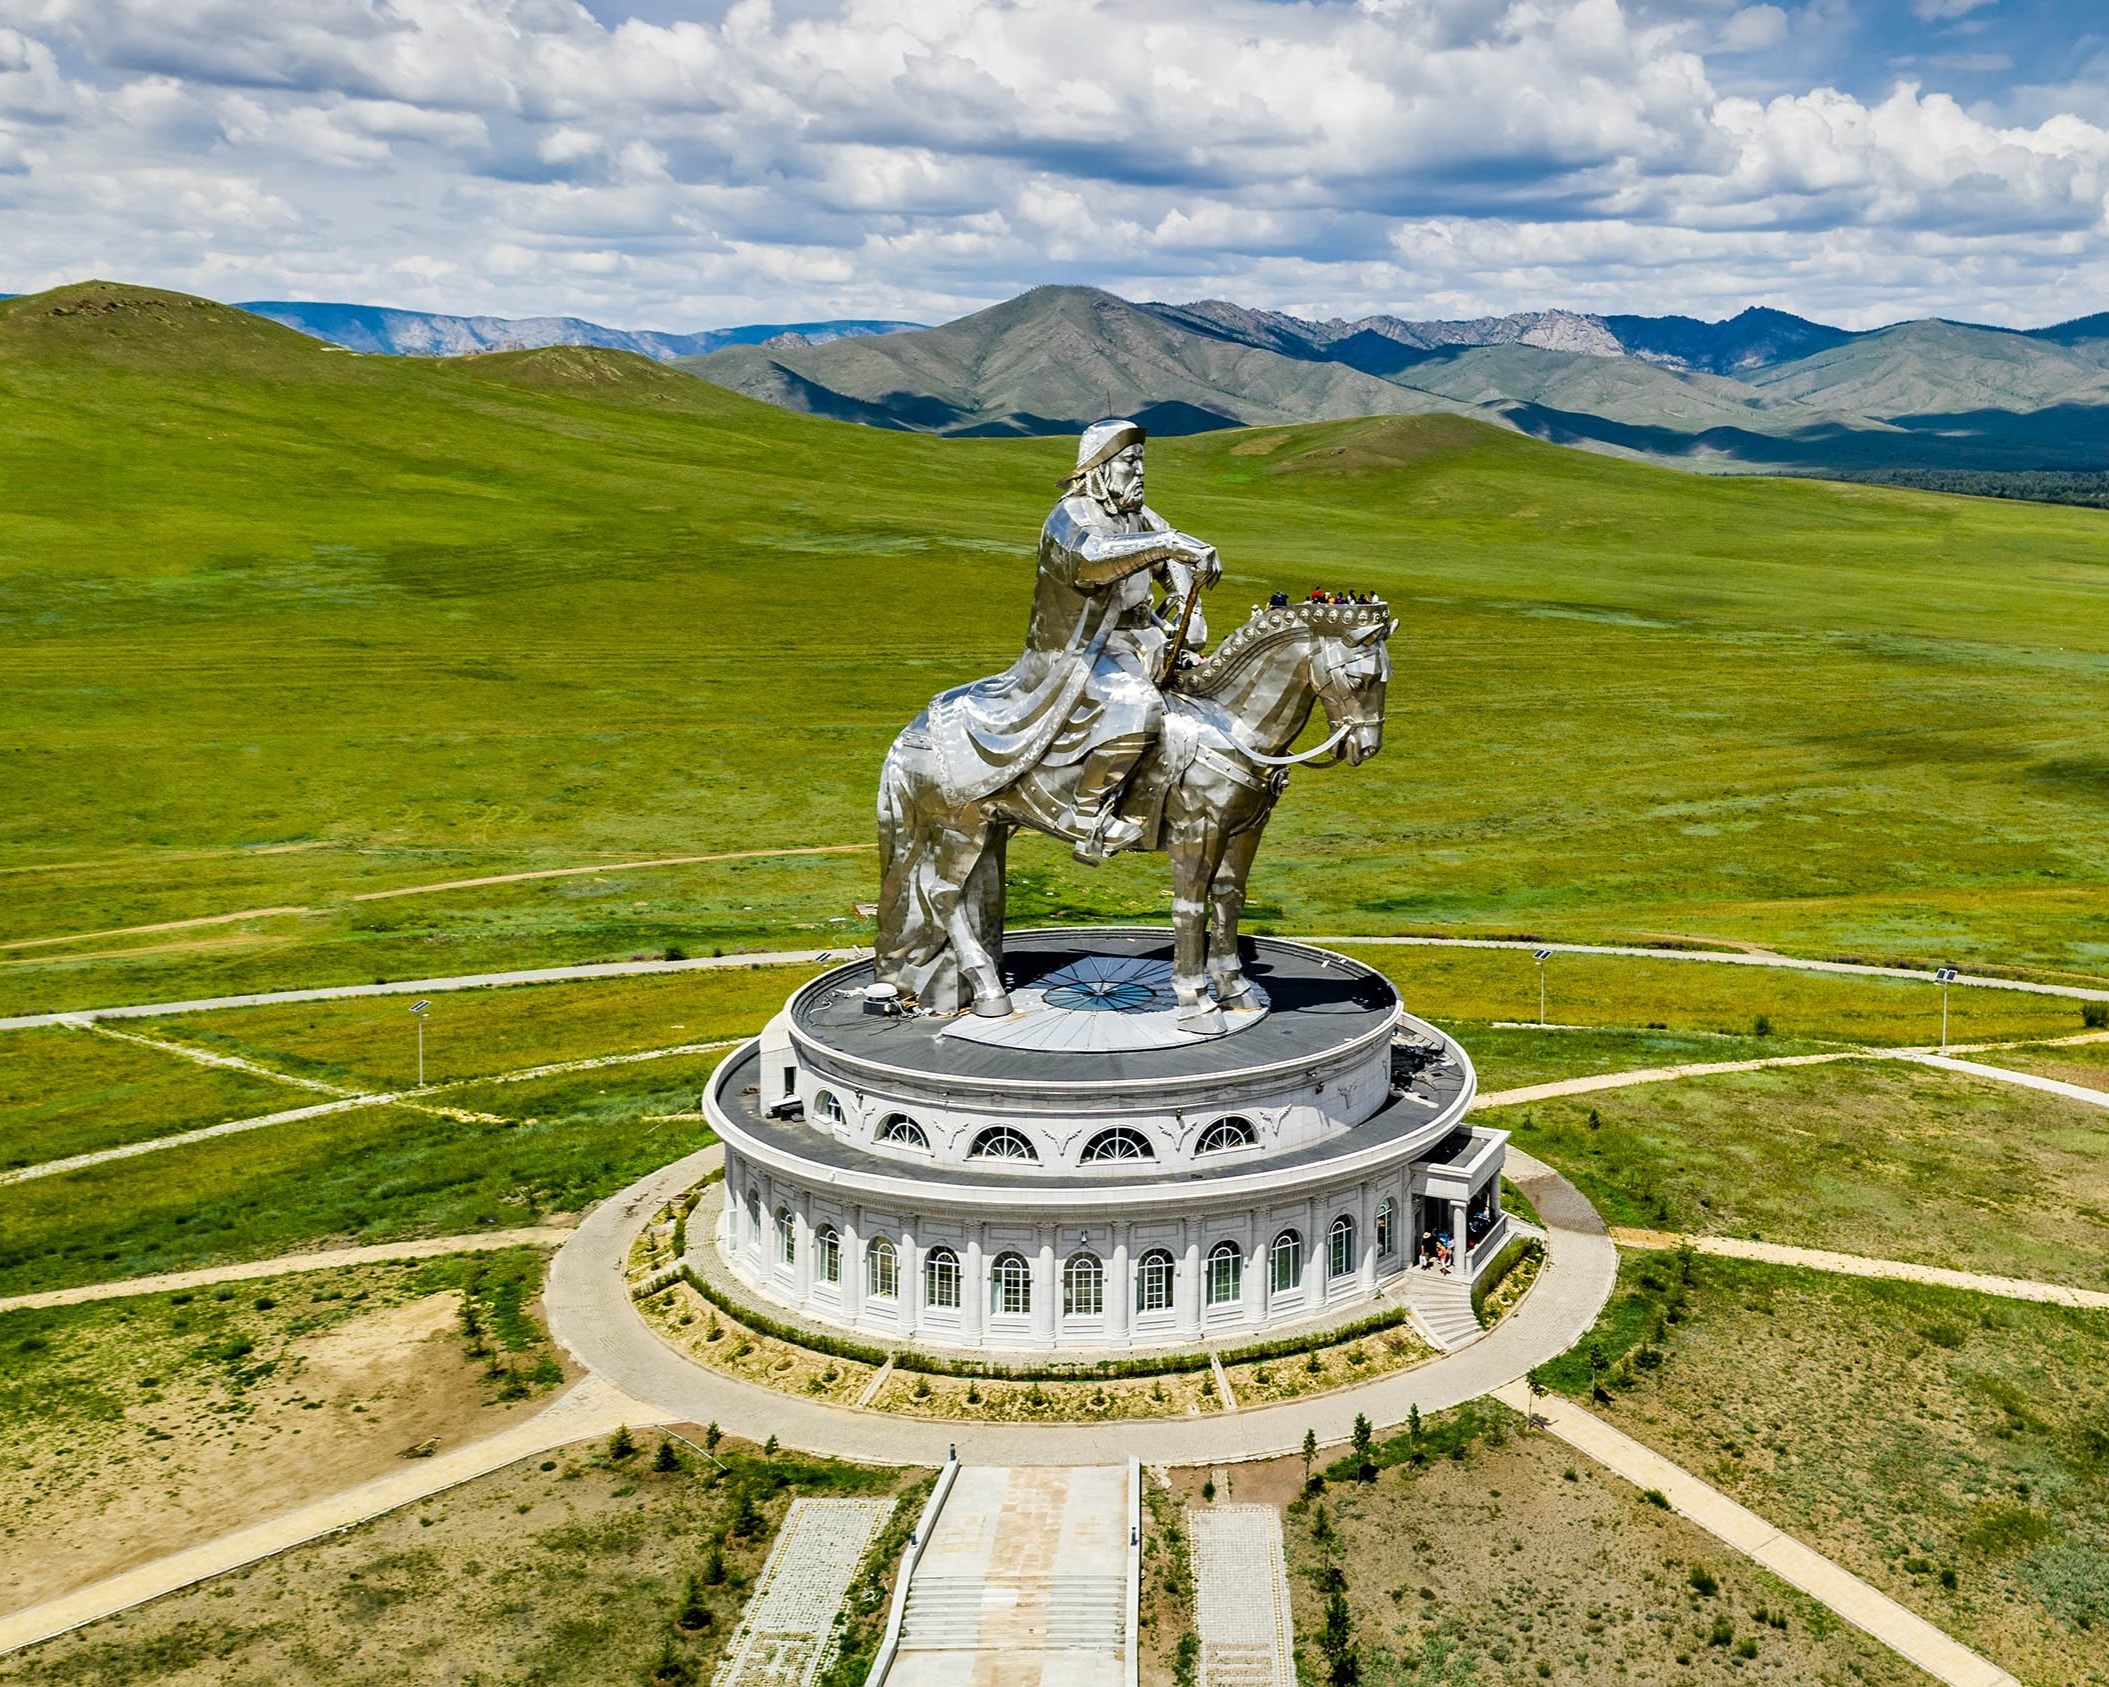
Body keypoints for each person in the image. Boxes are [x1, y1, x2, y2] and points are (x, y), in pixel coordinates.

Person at [923, 420, 1220, 863]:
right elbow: (1092, 561)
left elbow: (1171, 565)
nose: (1139, 472)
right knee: (1137, 704)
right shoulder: (1070, 518)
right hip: (1082, 651)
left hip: (1146, 641)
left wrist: (1188, 607)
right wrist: (1169, 544)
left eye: (1142, 462)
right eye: (1129, 462)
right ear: (1100, 467)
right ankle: (1086, 813)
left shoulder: (1138, 516)